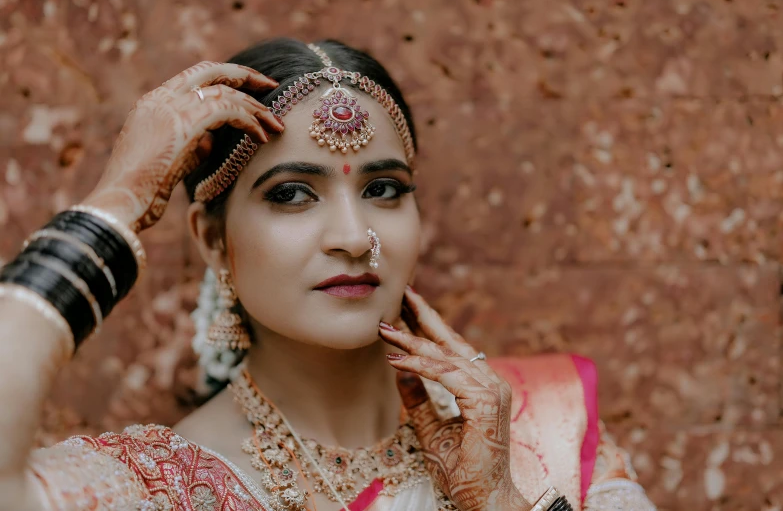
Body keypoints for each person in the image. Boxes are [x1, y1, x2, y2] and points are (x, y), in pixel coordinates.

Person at [0, 38, 655, 511]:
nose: (352, 237)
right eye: (290, 194)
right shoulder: (160, 488)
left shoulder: (540, 436)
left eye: (384, 189)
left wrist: (500, 502)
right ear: (210, 240)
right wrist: (114, 204)